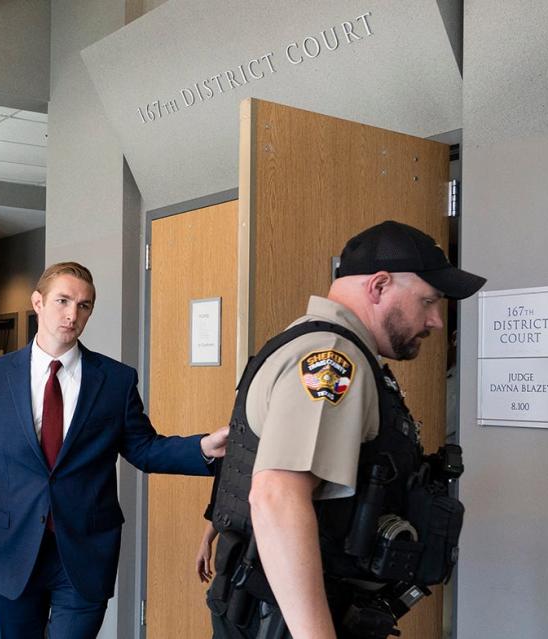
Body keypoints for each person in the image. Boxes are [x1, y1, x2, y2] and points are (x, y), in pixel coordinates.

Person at [207, 220, 486, 638]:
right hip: (288, 621)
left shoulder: (304, 341)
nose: (435, 322)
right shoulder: (332, 357)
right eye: (429, 301)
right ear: (379, 286)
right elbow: (277, 498)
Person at [0, 262, 229, 639]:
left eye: (84, 306)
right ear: (38, 302)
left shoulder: (115, 380)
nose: (72, 314)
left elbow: (144, 448)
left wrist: (204, 448)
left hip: (84, 551)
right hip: (14, 549)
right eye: (62, 301)